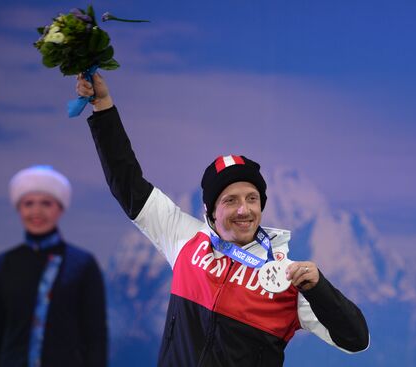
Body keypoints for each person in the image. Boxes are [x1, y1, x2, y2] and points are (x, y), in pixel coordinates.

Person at [77, 73, 369, 366]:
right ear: (210, 210)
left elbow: (356, 341)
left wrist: (320, 289)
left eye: (252, 199)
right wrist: (103, 107)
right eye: (230, 200)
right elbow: (127, 183)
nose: (244, 210)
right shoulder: (185, 239)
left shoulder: (286, 279)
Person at [0, 165, 108, 367]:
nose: (36, 211)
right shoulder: (2, 265)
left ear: (60, 208)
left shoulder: (82, 264)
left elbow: (95, 337)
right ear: (19, 208)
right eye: (28, 203)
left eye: (46, 203)